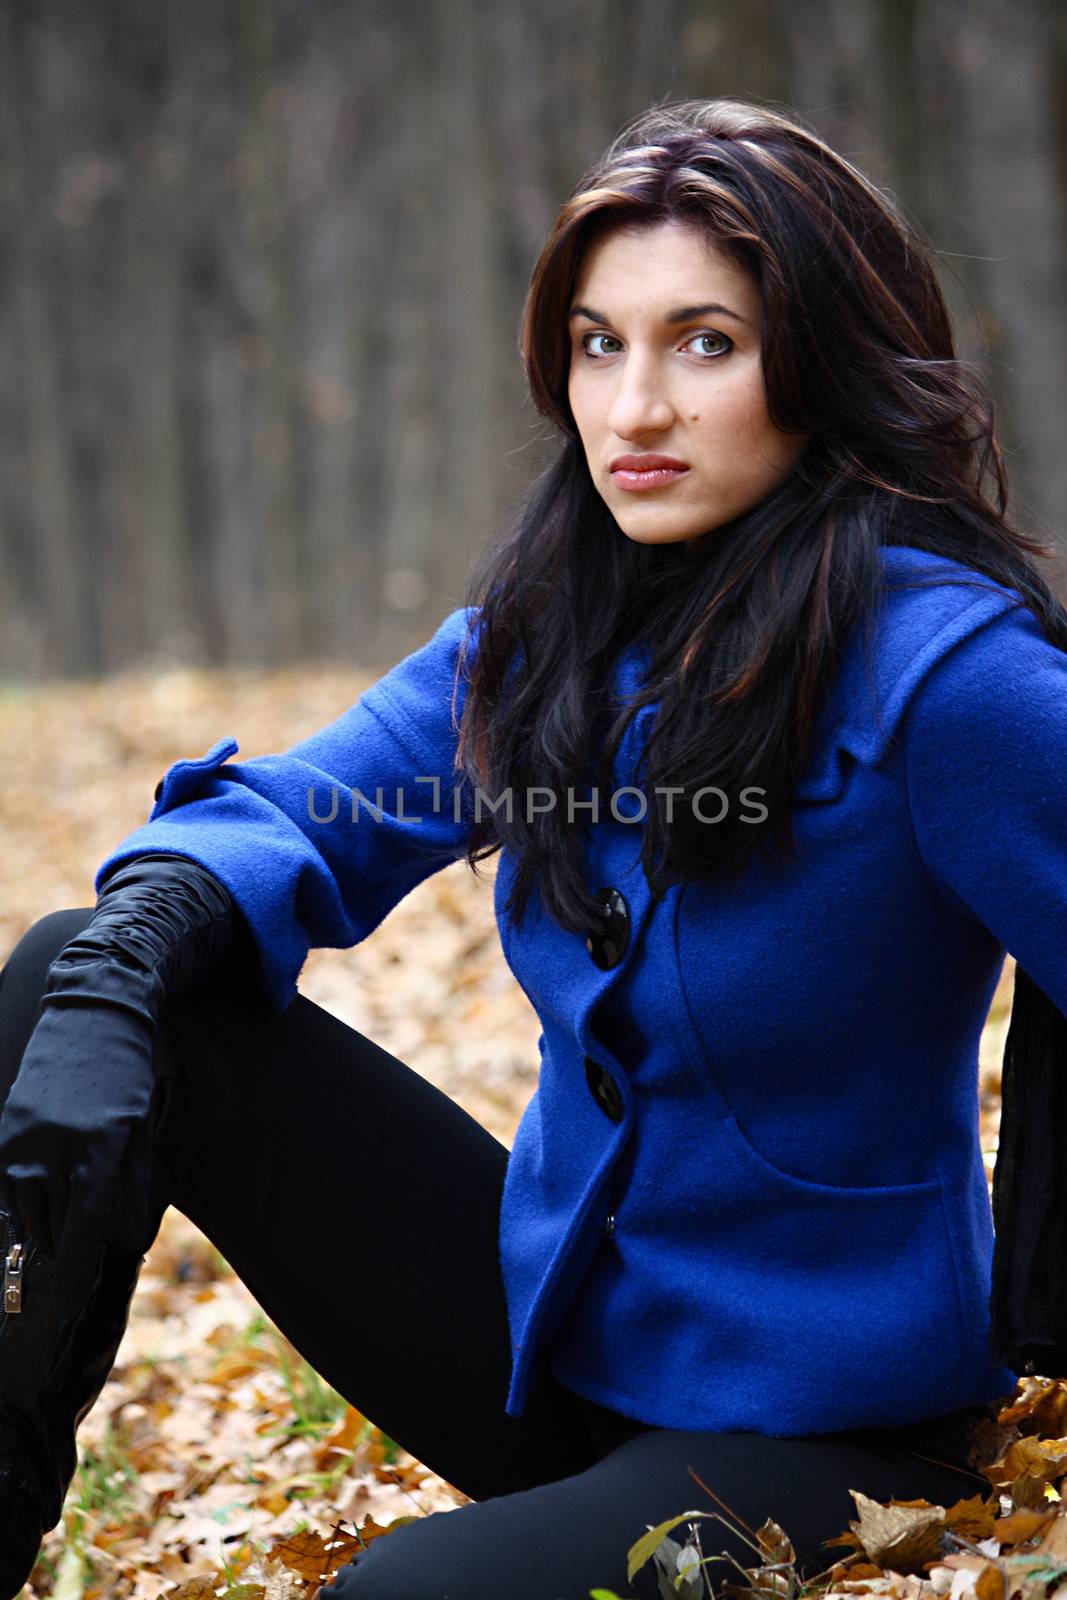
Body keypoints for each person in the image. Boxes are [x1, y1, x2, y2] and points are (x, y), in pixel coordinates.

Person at [0, 93, 1062, 1600]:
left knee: (400, 1596)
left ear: (822, 361)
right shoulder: (542, 637)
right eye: (597, 343)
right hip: (555, 1351)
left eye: (708, 343)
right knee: (85, 975)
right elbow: (316, 807)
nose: (634, 410)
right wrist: (137, 950)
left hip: (834, 1438)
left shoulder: (952, 679)